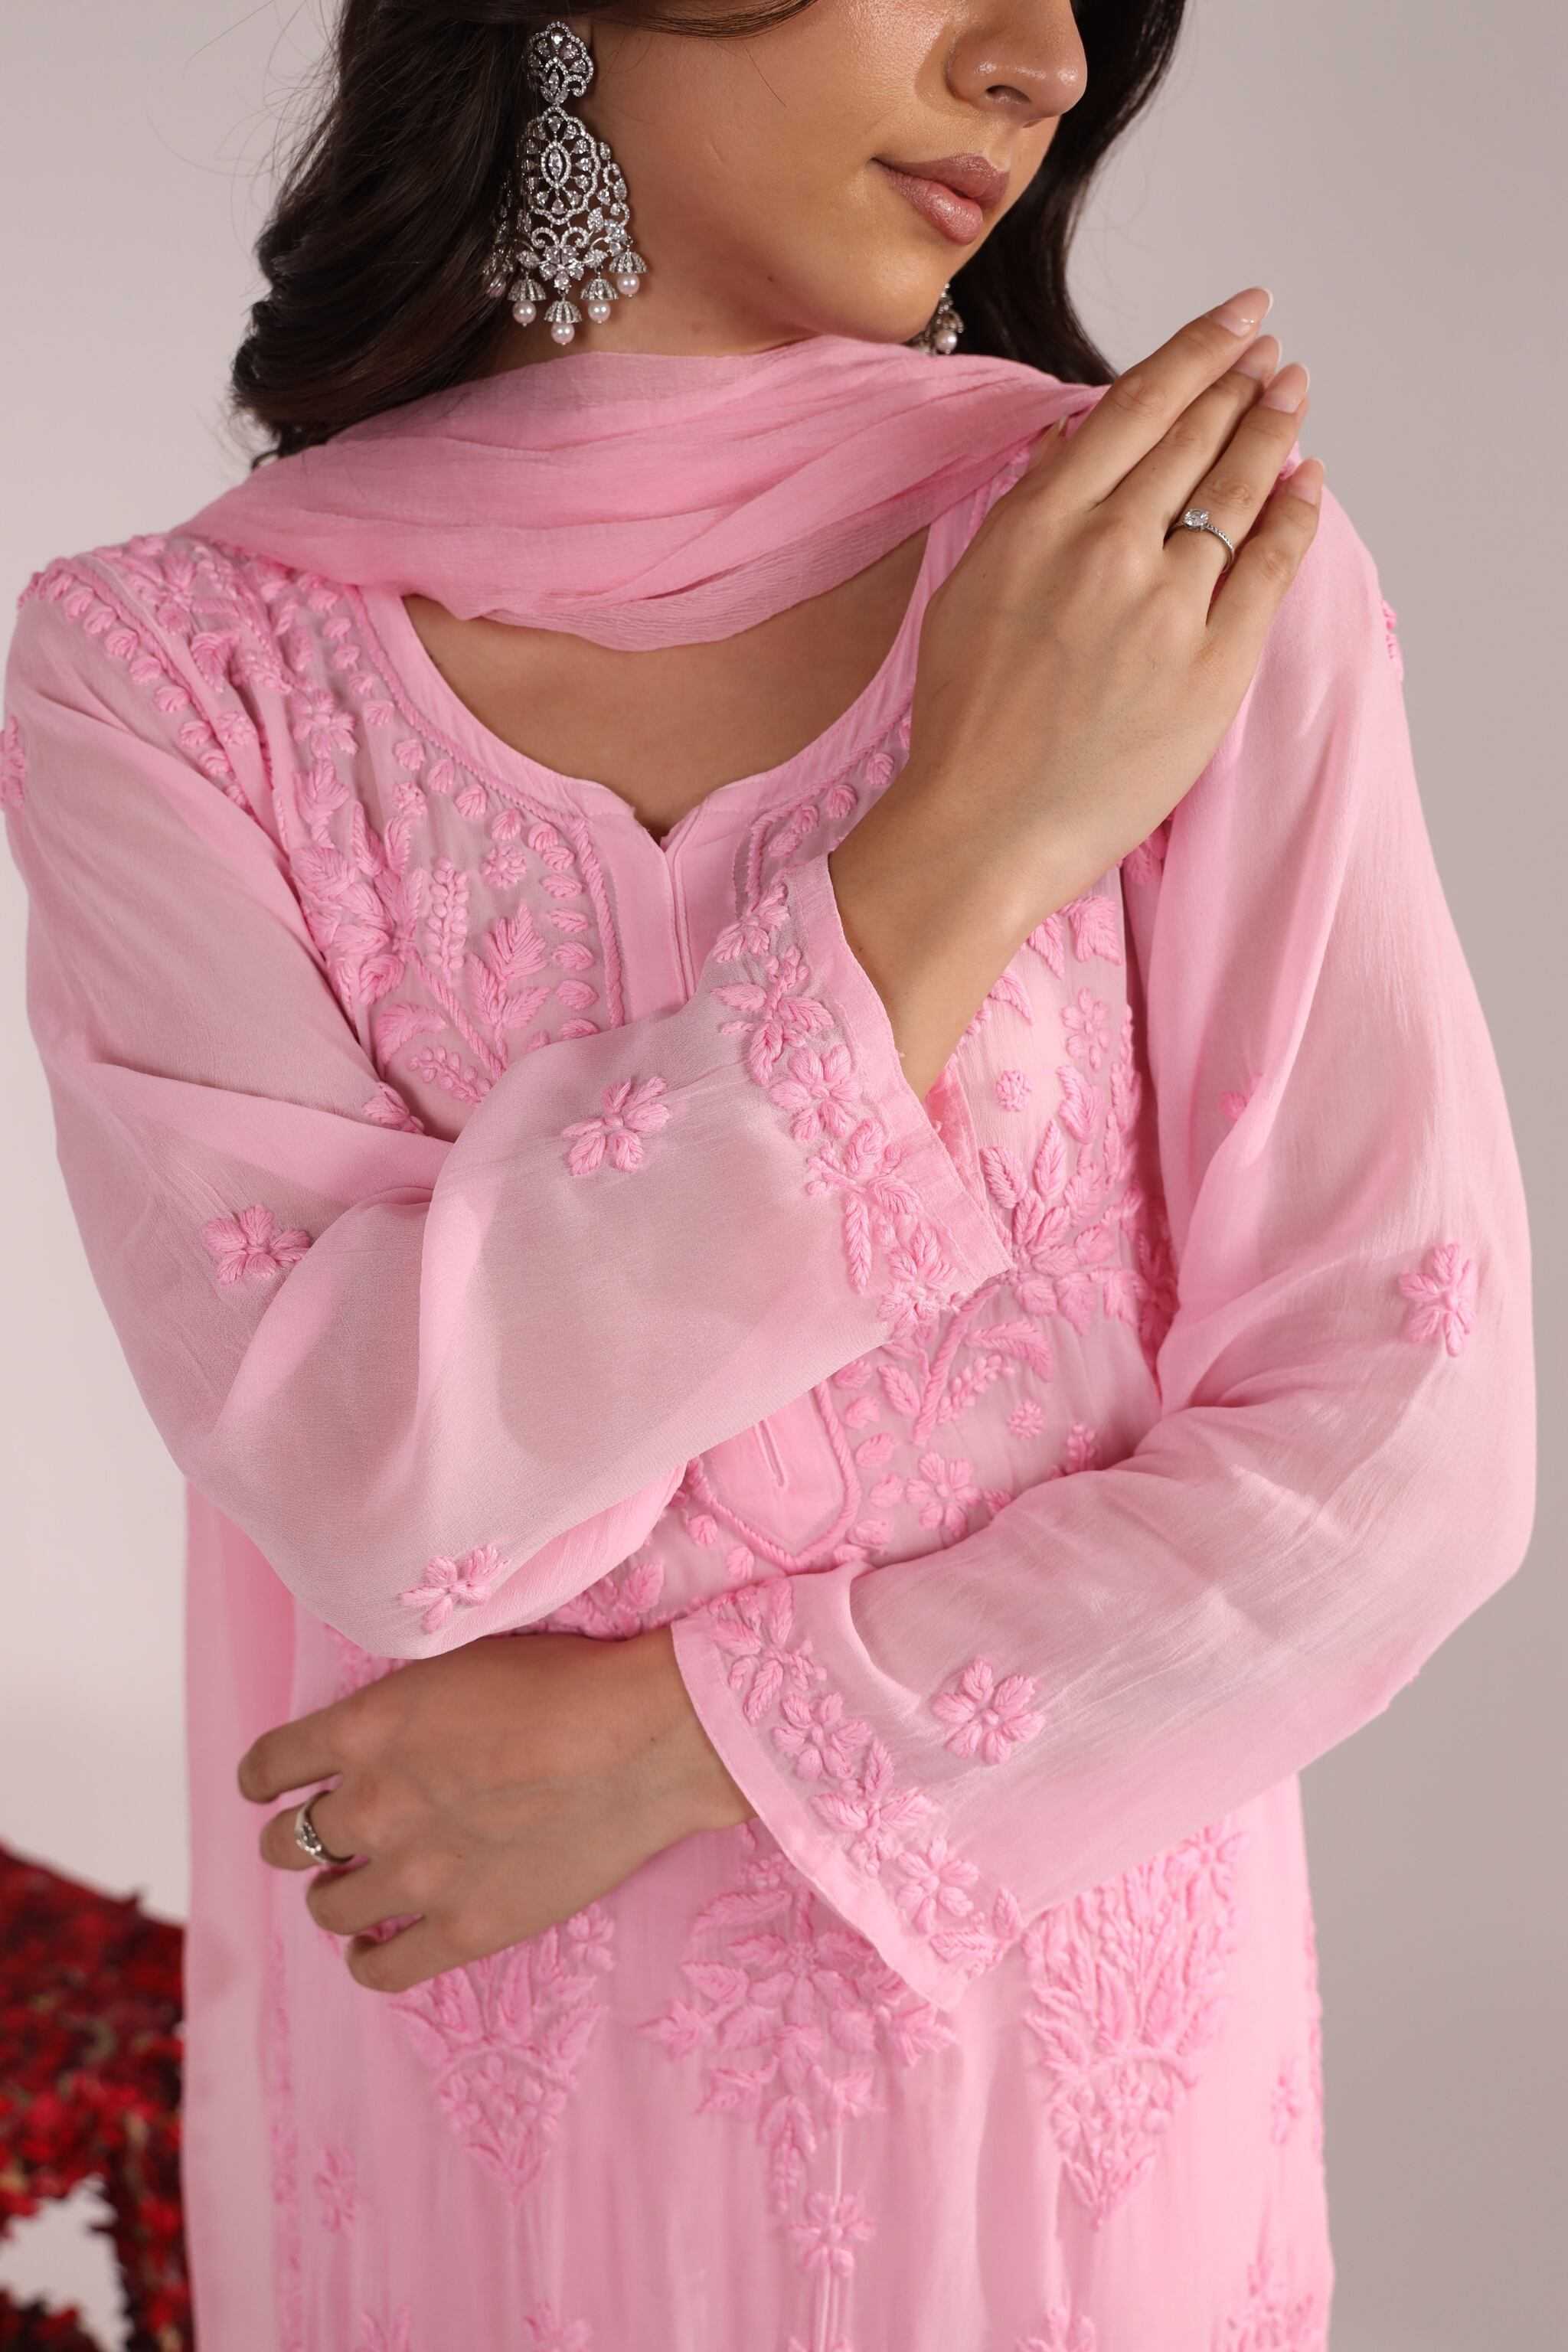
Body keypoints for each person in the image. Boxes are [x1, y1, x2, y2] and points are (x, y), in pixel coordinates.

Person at [0, 4, 1535, 2347]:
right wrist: (961, 848)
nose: (1037, 64)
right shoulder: (173, 678)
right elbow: (375, 1479)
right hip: (466, 2191)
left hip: (1048, 2193)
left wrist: (686, 1742)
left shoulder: (1167, 574)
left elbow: (1402, 1445)